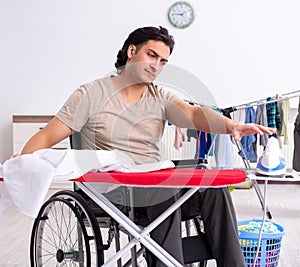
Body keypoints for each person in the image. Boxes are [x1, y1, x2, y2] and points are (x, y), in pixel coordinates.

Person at [20, 26, 275, 266]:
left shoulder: (159, 96)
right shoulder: (90, 94)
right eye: (151, 55)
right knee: (162, 187)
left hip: (155, 184)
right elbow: (46, 137)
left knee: (210, 184)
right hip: (111, 192)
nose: (157, 66)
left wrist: (230, 126)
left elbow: (194, 115)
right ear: (132, 52)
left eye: (163, 62)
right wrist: (22, 162)